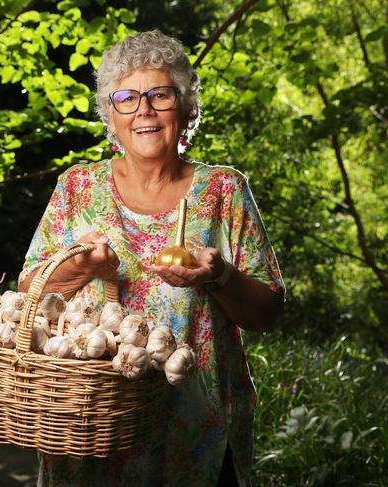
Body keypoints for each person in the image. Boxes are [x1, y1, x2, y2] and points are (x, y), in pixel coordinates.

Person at [18, 29, 285, 487]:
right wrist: (81, 267)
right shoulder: (77, 188)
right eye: (126, 97)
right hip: (92, 428)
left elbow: (269, 312)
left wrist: (218, 276)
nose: (143, 109)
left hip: (197, 433)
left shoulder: (223, 191)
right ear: (110, 114)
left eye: (159, 95)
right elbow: (29, 295)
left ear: (184, 108)